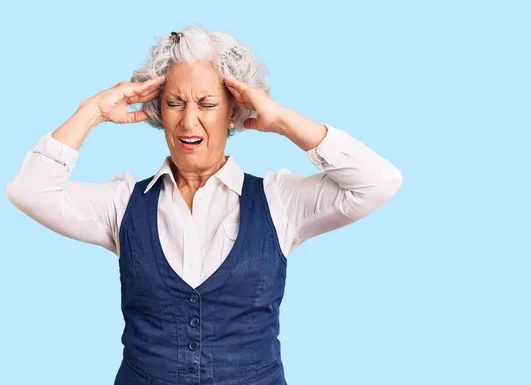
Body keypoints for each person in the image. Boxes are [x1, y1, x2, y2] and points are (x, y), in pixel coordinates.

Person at [5, 25, 402, 385]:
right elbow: (29, 191)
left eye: (207, 104)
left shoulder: (280, 201)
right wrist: (91, 112)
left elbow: (378, 182)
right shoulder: (124, 203)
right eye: (175, 103)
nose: (188, 121)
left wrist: (281, 119)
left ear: (234, 111)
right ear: (159, 110)